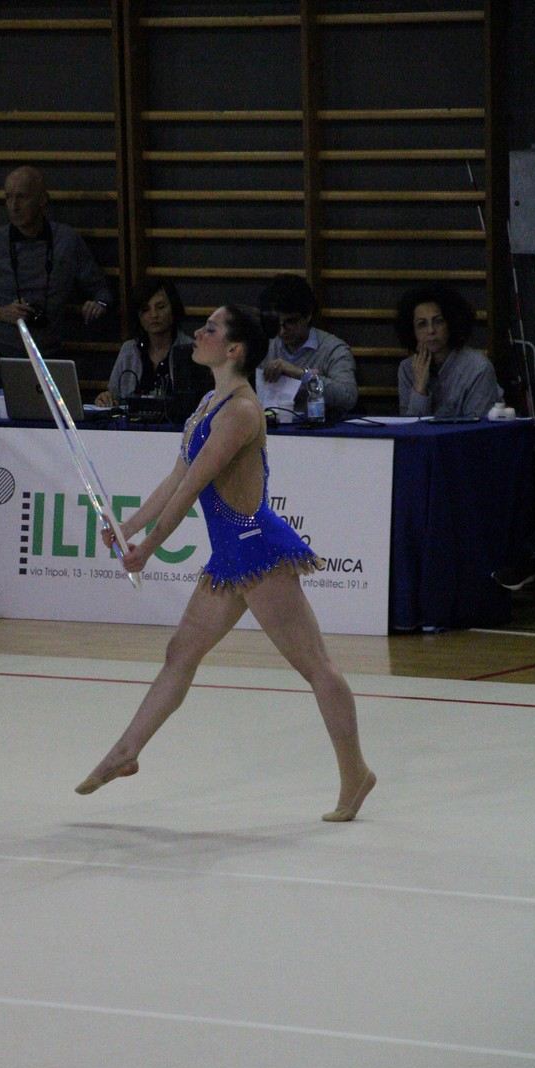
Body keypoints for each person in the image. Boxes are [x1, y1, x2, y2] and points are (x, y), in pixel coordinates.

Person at [76, 304, 375, 822]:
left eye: (210, 329)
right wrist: (128, 528)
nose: (198, 332)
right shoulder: (208, 402)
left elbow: (193, 490)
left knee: (316, 668)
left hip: (256, 551)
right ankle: (126, 752)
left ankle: (356, 775)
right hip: (232, 556)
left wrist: (147, 549)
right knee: (180, 652)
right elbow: (175, 479)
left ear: (234, 349)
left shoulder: (240, 412)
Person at [0, 165, 111, 386]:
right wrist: (0, 313)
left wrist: (98, 304)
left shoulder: (67, 241)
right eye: (8, 198)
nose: (14, 206)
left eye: (22, 197)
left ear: (42, 200)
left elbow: (101, 290)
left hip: (47, 355)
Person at [94, 277, 211, 419]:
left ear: (173, 309)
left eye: (160, 307)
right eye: (145, 309)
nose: (154, 315)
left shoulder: (192, 351)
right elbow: (114, 396)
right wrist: (106, 399)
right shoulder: (129, 350)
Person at [258, 274, 359, 417]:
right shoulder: (265, 346)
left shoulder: (333, 349)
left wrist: (302, 374)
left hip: (320, 432)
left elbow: (348, 397)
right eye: (277, 323)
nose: (282, 331)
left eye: (291, 322)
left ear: (308, 315)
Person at [395, 283, 501, 418]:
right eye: (422, 324)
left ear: (451, 323)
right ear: (412, 331)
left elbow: (477, 429)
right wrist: (419, 389)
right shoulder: (407, 368)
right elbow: (409, 430)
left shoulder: (478, 368)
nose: (431, 330)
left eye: (438, 321)